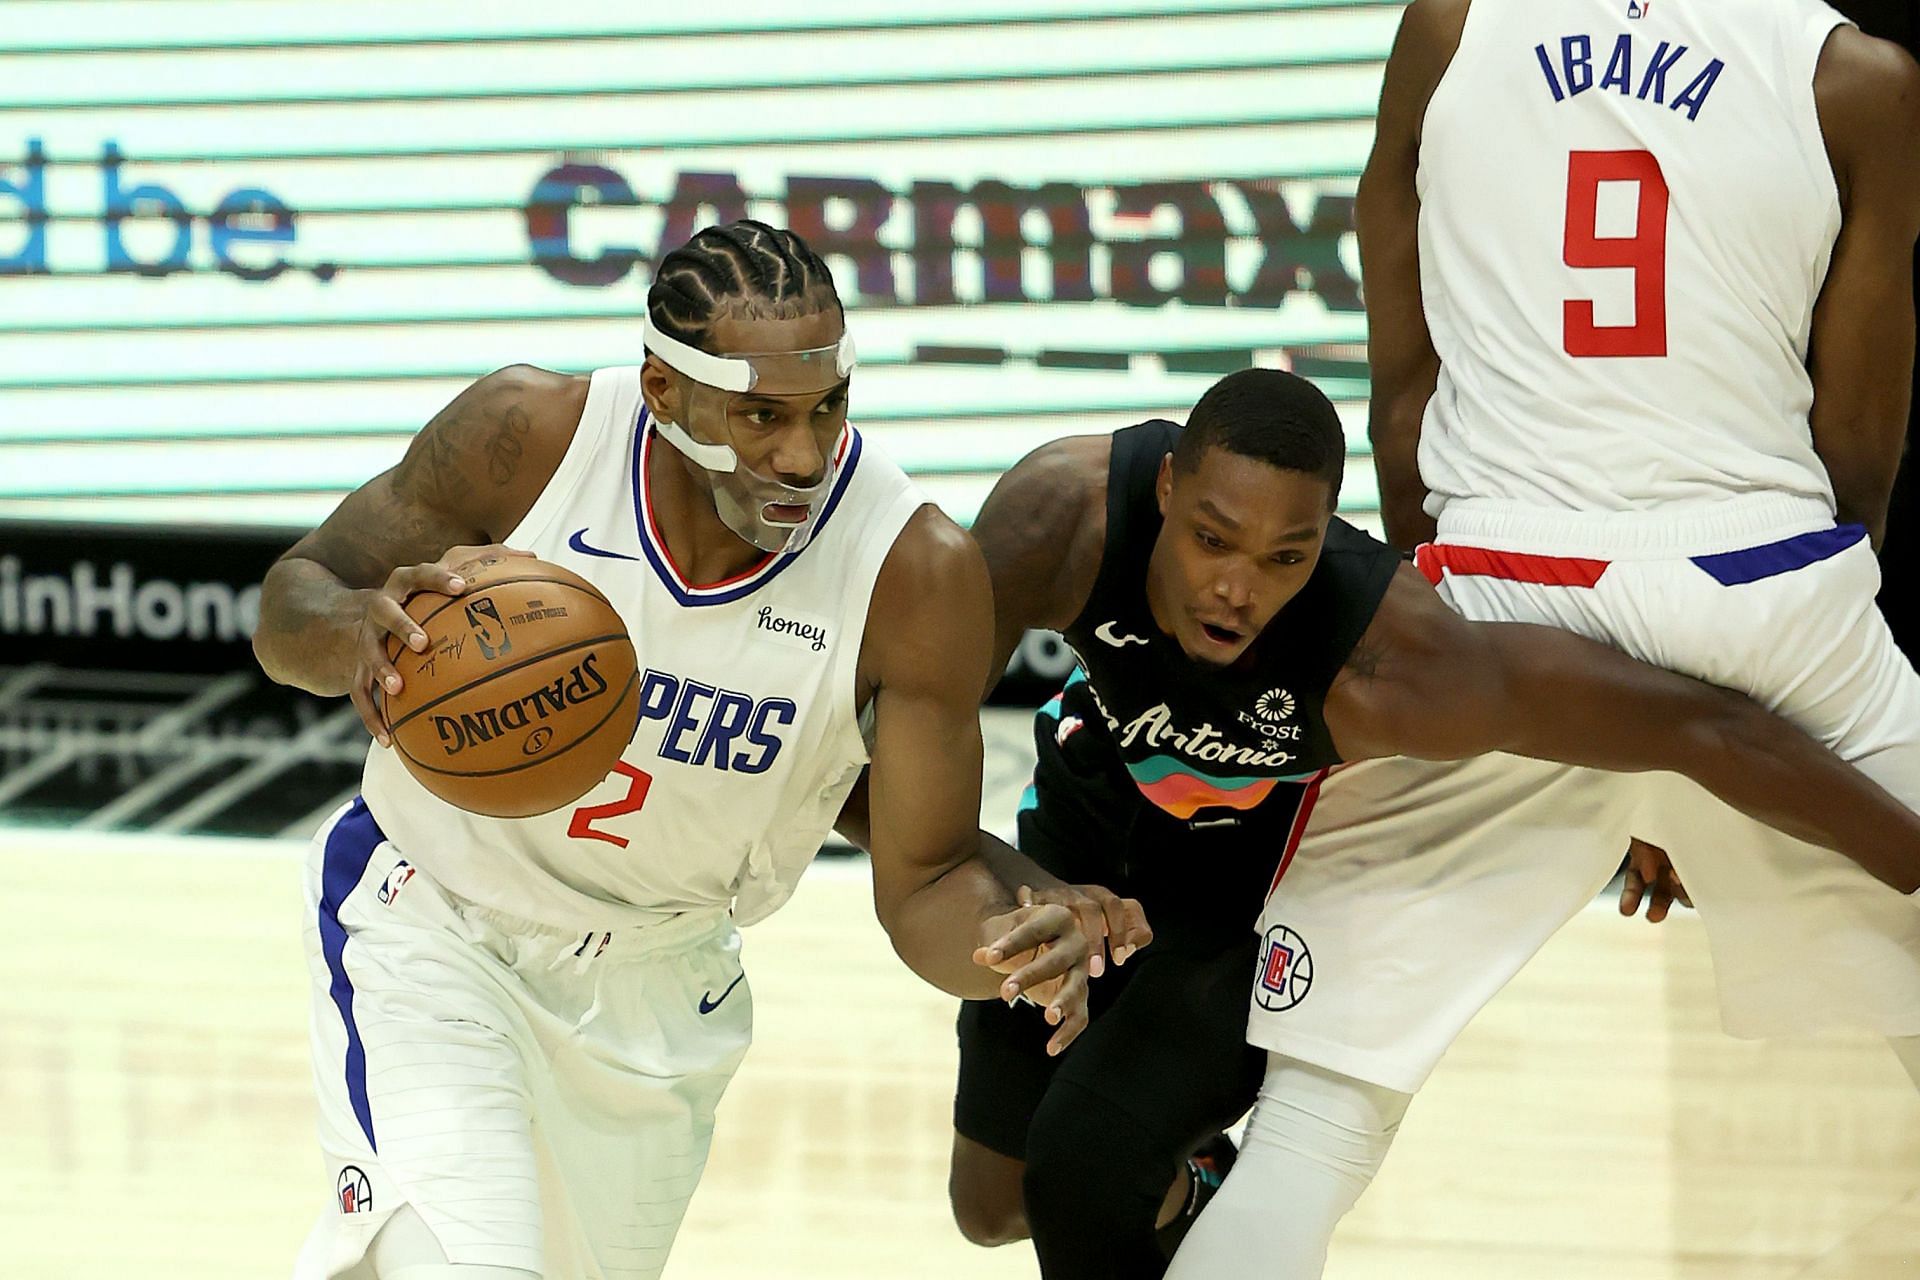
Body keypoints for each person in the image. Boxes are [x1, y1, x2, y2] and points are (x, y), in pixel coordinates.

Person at [1167, 2, 1920, 1276]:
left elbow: (1402, 371)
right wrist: (1749, 688)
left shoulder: (1451, 28)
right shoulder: (1862, 78)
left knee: (1320, 1110)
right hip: (1763, 582)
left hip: (1499, 585)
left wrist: (1437, 586)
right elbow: (1857, 436)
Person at [252, 221, 1097, 1280]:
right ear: (662, 390)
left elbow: (922, 879)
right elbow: (294, 597)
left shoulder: (913, 569)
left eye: (827, 406)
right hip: (436, 926)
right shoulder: (530, 437)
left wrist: (1012, 954)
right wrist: (353, 634)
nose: (801, 452)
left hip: (661, 991)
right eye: (759, 415)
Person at [946, 367, 1920, 1280]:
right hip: (1080, 824)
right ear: (1164, 488)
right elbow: (905, 740)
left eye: (1284, 555)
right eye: (1212, 540)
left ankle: (1182, 1175)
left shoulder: (1390, 656)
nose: (1237, 587)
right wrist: (1023, 883)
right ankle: (1185, 1172)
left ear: (1326, 535)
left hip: (1239, 880)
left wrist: (1679, 808)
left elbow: (1700, 723)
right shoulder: (1065, 514)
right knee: (989, 1204)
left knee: (1083, 1164)